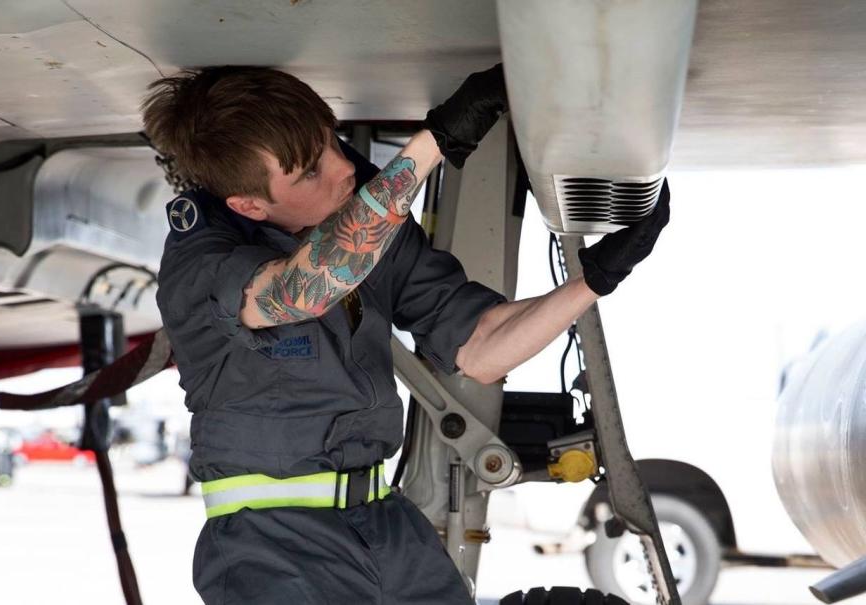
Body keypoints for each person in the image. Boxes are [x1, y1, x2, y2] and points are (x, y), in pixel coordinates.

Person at [142, 64, 668, 605]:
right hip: (274, 547)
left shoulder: (366, 218)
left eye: (332, 143)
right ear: (249, 205)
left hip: (387, 527)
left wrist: (596, 280)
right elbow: (302, 289)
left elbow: (482, 349)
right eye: (308, 173)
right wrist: (436, 140)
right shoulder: (202, 260)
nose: (343, 168)